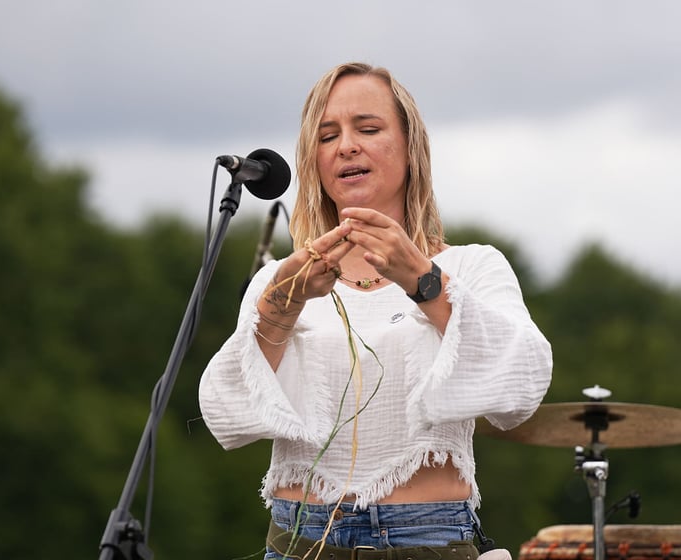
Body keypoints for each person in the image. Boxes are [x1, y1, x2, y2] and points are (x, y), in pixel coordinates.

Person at [199, 62, 553, 559]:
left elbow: (523, 385)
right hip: (300, 539)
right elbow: (224, 413)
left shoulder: (471, 266)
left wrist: (426, 283)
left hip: (423, 536)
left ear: (411, 147)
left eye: (367, 129)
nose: (346, 146)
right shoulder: (278, 279)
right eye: (328, 136)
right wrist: (281, 306)